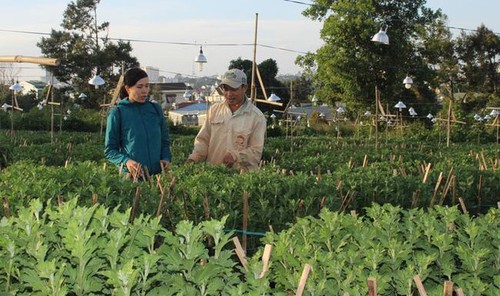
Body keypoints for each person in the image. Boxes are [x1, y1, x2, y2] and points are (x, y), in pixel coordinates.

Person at [187, 68, 266, 171]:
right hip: (214, 175)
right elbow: (203, 140)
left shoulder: (257, 117)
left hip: (242, 179)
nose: (229, 93)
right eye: (225, 89)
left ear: (244, 88)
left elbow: (256, 152)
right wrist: (194, 158)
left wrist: (235, 156)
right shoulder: (214, 110)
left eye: (233, 89)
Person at [105, 67, 171, 178]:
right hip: (132, 179)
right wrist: (126, 161)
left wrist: (165, 158)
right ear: (128, 89)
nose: (144, 90)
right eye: (139, 87)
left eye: (147, 86)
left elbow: (164, 141)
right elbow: (110, 150)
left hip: (158, 178)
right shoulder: (118, 113)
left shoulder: (155, 109)